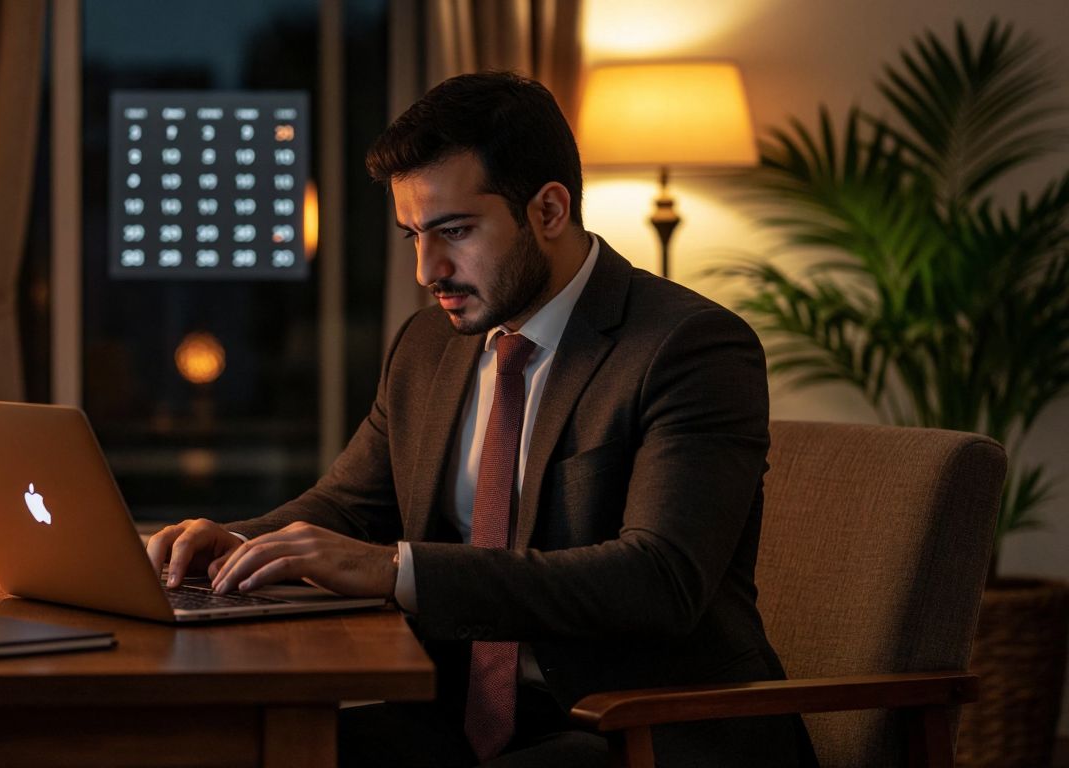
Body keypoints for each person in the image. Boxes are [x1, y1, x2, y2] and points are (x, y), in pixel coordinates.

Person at [147, 71, 815, 767]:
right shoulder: (428, 344)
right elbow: (348, 508)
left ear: (550, 210)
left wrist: (398, 571)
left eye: (455, 232)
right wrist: (227, 544)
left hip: (642, 727)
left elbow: (658, 580)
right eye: (412, 235)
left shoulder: (690, 347)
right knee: (238, 750)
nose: (426, 270)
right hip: (458, 718)